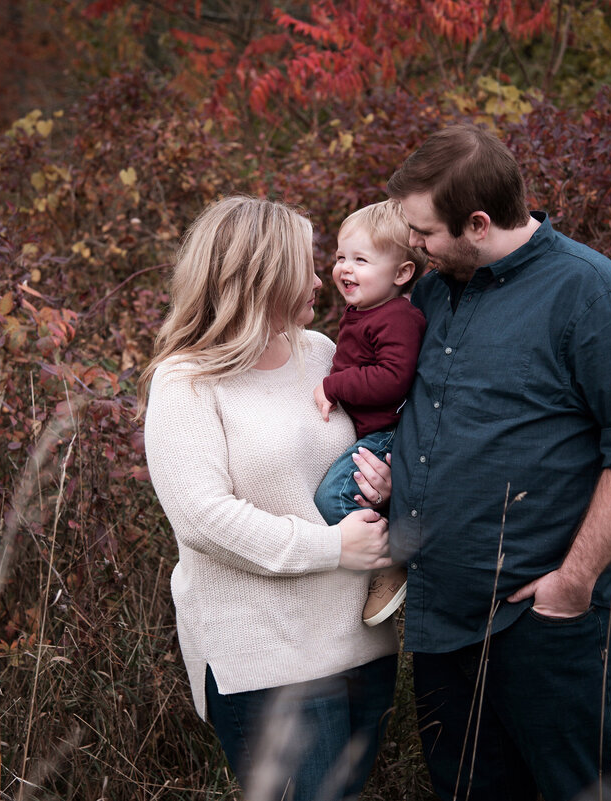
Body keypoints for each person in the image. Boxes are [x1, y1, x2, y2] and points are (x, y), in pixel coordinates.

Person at [376, 124, 611, 801]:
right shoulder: (435, 291)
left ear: (478, 223)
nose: (414, 247)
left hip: (542, 626)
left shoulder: (594, 296)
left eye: (424, 232)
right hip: (441, 620)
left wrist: (571, 584)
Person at [142, 196, 399, 801]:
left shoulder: (321, 352)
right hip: (267, 661)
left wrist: (381, 482)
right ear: (257, 277)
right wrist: (332, 546)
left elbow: (360, 445)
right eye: (302, 267)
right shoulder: (186, 381)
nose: (320, 280)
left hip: (361, 644)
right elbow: (205, 518)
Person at [312, 200, 427, 626]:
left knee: (333, 498)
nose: (345, 268)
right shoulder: (364, 312)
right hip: (375, 431)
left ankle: (391, 563)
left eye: (361, 260)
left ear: (401, 274)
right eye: (341, 257)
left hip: (390, 431)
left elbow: (393, 378)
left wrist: (333, 385)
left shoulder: (396, 316)